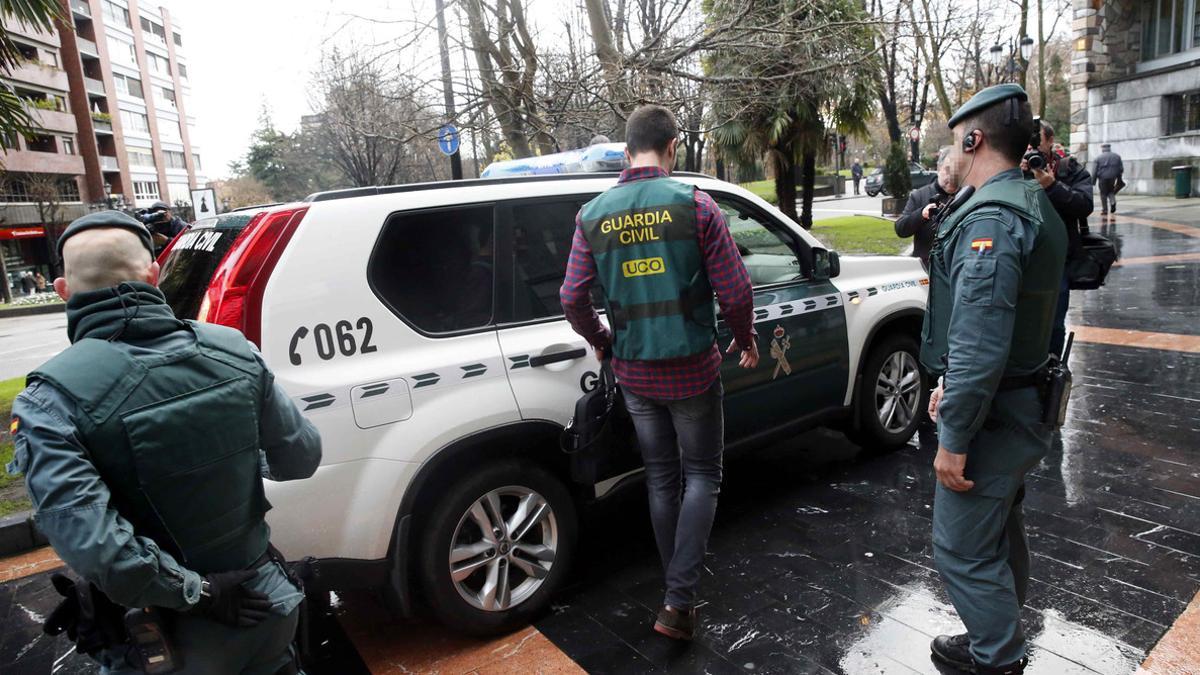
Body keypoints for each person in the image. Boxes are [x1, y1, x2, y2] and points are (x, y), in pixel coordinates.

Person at [7, 211, 322, 674]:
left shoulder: (50, 400)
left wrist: (200, 593)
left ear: (63, 291)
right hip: (269, 604)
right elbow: (301, 457)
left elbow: (104, 553)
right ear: (153, 276)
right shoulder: (233, 349)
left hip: (171, 639)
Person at [559, 104, 758, 641]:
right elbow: (736, 291)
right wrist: (745, 339)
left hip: (636, 375)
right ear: (672, 148)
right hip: (693, 370)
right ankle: (678, 598)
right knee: (703, 477)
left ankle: (678, 591)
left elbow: (572, 297)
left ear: (627, 152)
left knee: (663, 479)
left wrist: (604, 343)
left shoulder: (592, 215)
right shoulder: (695, 206)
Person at [921, 84, 1066, 675]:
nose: (954, 151)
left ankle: (998, 657)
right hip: (1016, 398)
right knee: (1000, 527)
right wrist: (952, 383)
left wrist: (953, 440)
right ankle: (993, 634)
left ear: (975, 138)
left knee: (960, 548)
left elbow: (982, 342)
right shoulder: (1024, 200)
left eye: (958, 139)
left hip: (996, 416)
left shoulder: (994, 218)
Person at [1021, 120, 1093, 358]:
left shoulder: (1068, 169)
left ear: (1050, 141)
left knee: (1053, 322)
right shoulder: (1014, 167)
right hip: (1022, 254)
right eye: (1027, 144)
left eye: (1037, 141)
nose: (1032, 150)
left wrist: (1052, 186)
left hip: (1056, 258)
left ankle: (1051, 372)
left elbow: (1085, 205)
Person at [895, 146, 959, 270]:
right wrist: (921, 214)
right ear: (939, 168)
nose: (952, 177)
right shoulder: (919, 196)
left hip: (956, 271)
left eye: (958, 172)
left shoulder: (966, 195)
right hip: (926, 271)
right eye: (948, 169)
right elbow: (900, 229)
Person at [1094, 143, 1124, 216]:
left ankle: (1105, 210)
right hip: (1113, 177)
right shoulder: (1117, 156)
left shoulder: (1098, 158)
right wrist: (1118, 177)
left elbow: (1094, 170)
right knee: (1111, 191)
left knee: (1103, 193)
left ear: (1102, 148)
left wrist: (1093, 181)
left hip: (1102, 178)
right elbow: (1121, 169)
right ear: (1109, 148)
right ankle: (1112, 202)